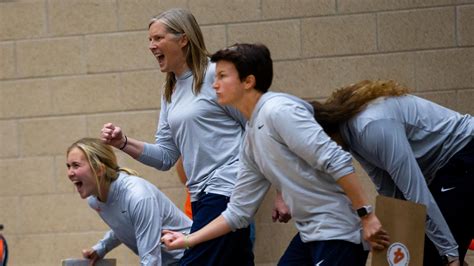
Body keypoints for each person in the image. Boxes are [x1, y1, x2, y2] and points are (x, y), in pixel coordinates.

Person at [161, 43, 390, 266]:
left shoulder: (278, 110)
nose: (215, 84)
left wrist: (367, 216)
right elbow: (238, 212)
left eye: (222, 76)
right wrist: (187, 240)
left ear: (248, 81)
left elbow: (337, 160)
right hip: (309, 235)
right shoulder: (251, 136)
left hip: (338, 233)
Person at [100, 8, 262, 265]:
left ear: (183, 39)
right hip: (200, 196)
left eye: (158, 38)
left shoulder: (214, 75)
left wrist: (281, 190)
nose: (151, 46)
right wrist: (123, 142)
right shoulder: (171, 91)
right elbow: (165, 156)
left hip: (226, 189)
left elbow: (256, 123)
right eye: (149, 40)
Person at [310, 80, 474, 266]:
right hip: (448, 165)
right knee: (427, 250)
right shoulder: (352, 136)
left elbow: (416, 193)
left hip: (465, 151)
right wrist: (395, 242)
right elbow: (390, 193)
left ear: (326, 135)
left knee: (437, 254)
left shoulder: (370, 127)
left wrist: (449, 255)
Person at [66, 138, 192, 265]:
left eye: (76, 165)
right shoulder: (94, 200)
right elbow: (124, 225)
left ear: (99, 169)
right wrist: (100, 249)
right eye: (68, 166)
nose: (69, 173)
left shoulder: (137, 196)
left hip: (195, 258)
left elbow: (151, 260)